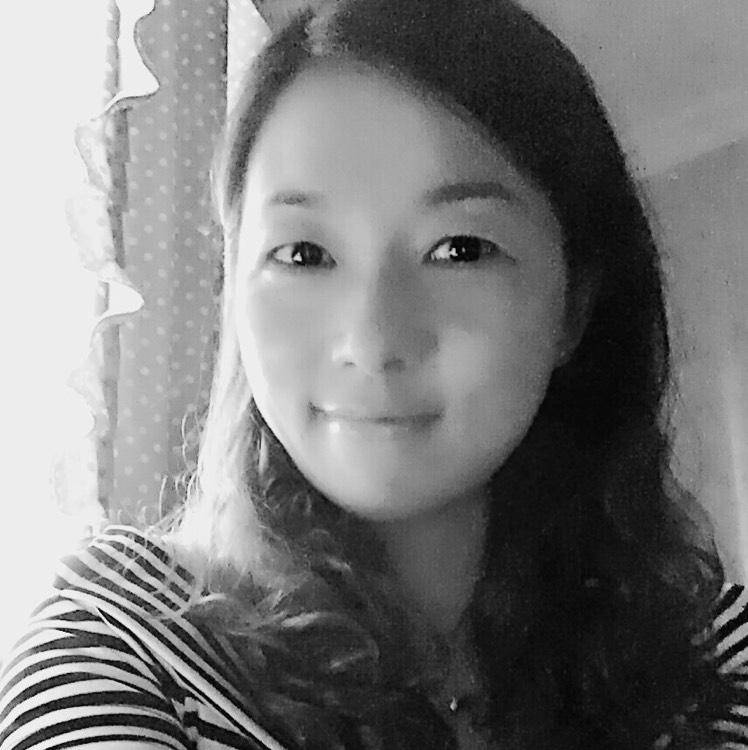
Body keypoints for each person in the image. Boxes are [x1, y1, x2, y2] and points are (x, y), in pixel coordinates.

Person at [1, 0, 747, 748]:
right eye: (303, 254)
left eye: (460, 249)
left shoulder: (715, 660)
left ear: (574, 307)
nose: (372, 338)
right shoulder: (119, 643)